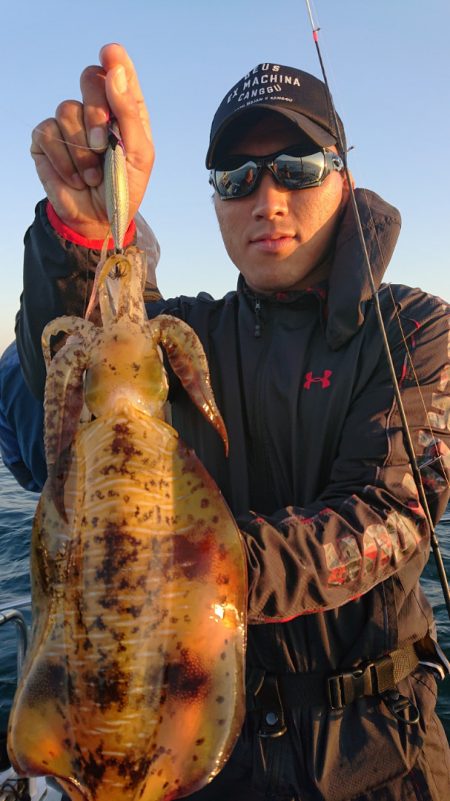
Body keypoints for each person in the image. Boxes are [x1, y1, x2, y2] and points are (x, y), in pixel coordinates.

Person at [1, 43, 450, 801]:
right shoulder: (180, 337)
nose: (267, 197)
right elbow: (62, 395)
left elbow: (391, 515)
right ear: (214, 199)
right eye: (237, 177)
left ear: (344, 175)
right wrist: (78, 234)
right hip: (199, 763)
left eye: (298, 166)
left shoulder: (412, 327)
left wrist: (170, 569)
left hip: (376, 760)